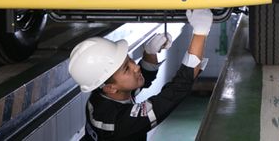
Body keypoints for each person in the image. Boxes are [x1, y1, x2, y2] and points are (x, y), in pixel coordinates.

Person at [68, 9, 213, 140]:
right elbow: (173, 94)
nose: (136, 67)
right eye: (126, 68)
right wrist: (200, 32)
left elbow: (141, 79)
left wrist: (150, 53)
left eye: (130, 60)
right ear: (110, 88)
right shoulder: (117, 122)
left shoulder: (104, 94)